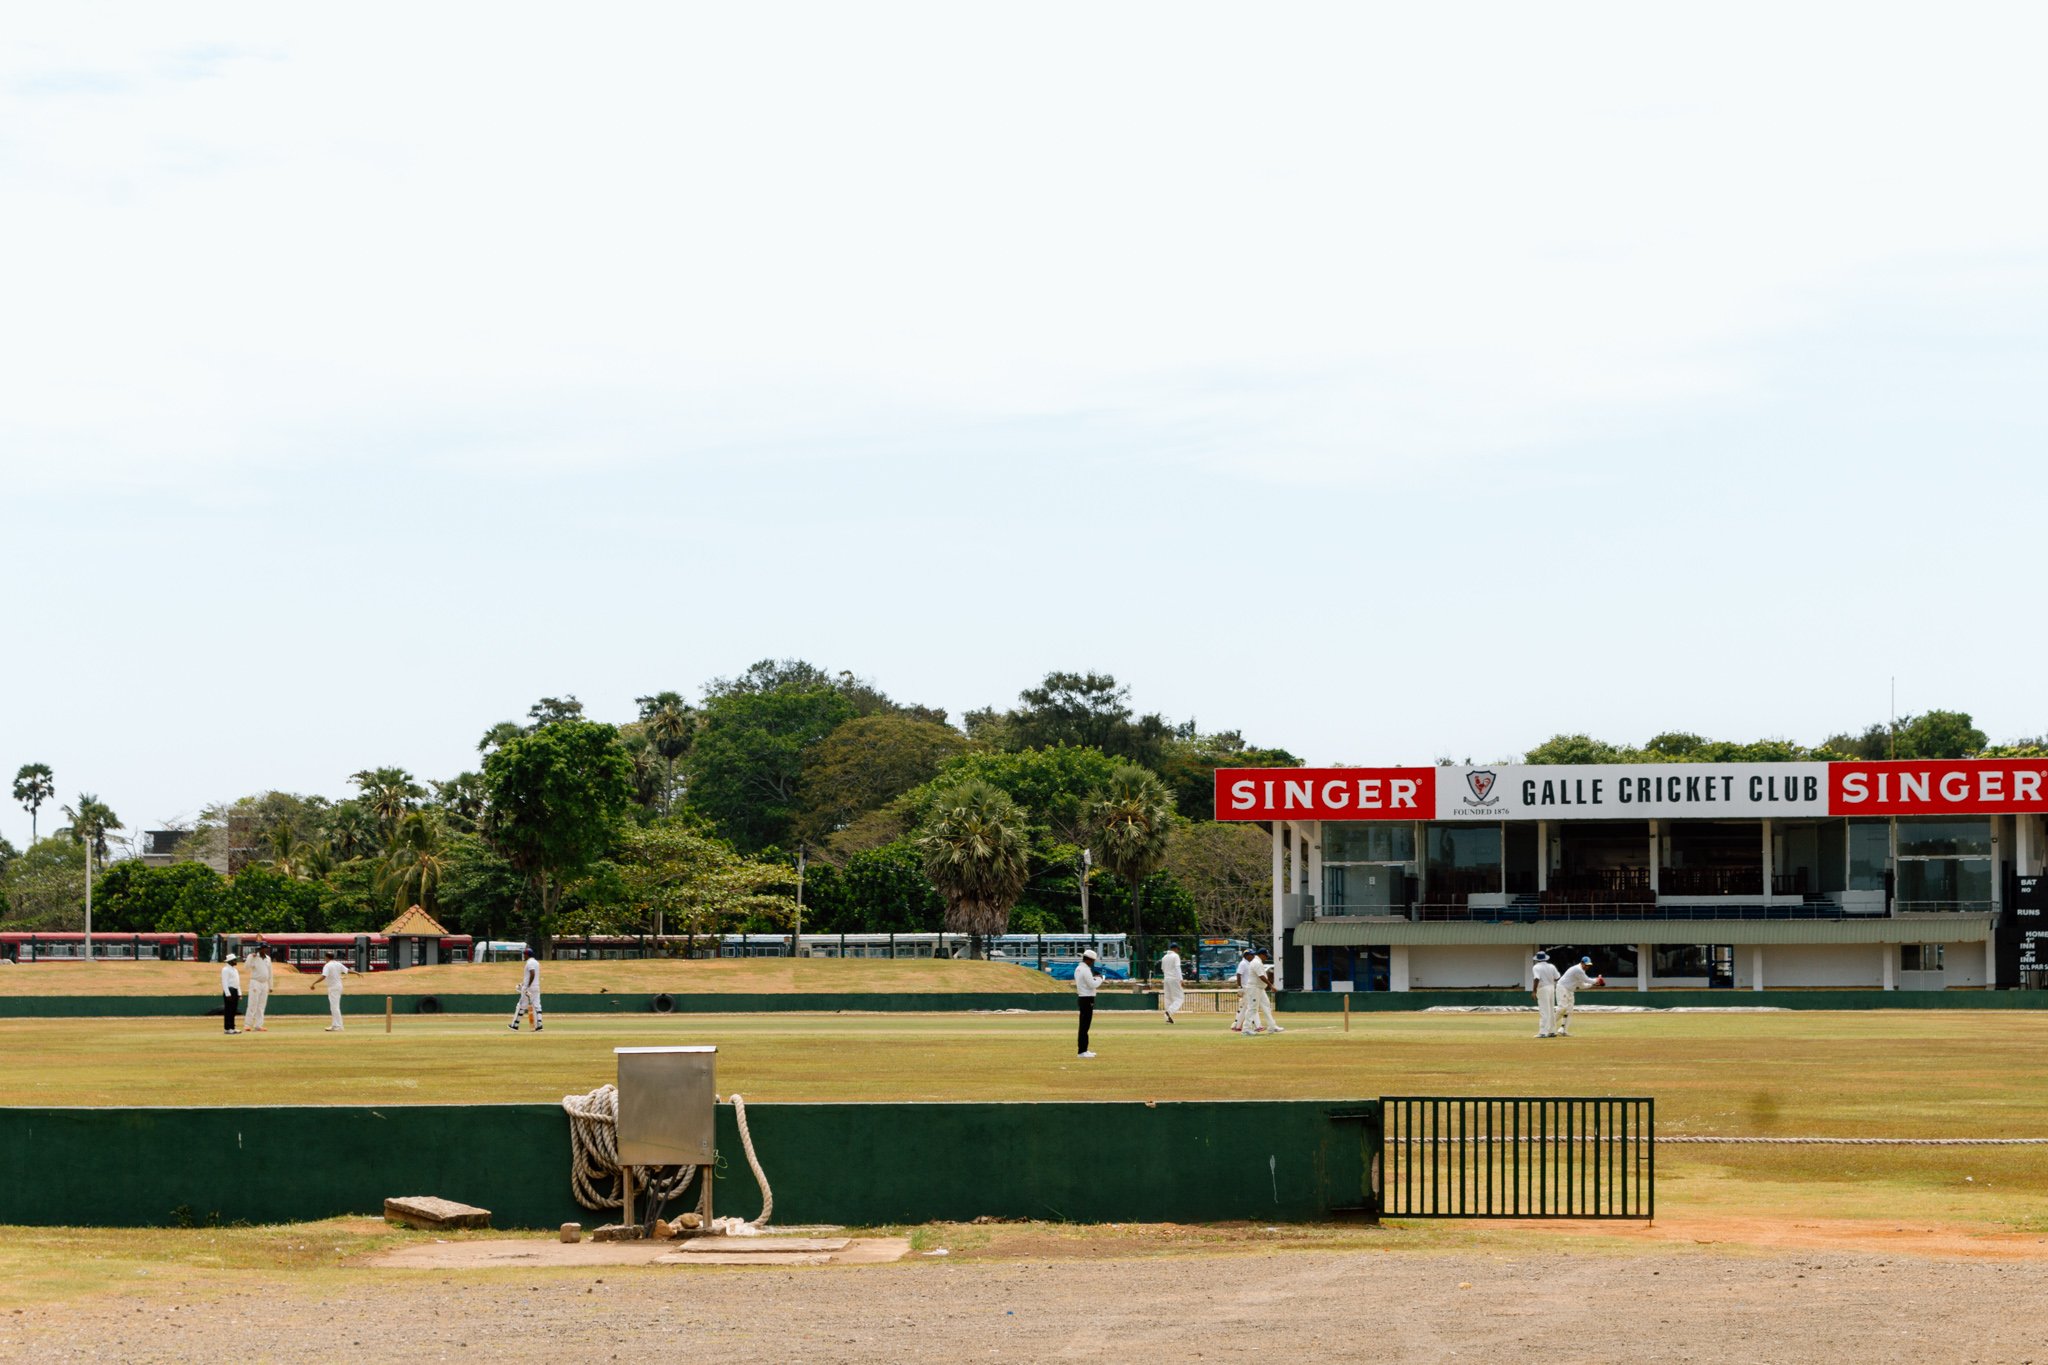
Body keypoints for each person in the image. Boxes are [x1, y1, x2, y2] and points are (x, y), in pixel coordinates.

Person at [1555, 956, 1605, 1037]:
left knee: (1569, 1010)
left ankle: (1563, 1030)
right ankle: (1549, 1027)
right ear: (1582, 963)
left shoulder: (1581, 972)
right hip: (1562, 988)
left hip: (1570, 991)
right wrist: (1597, 980)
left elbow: (1582, 985)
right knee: (1562, 1008)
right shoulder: (1577, 969)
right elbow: (1588, 980)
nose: (1587, 967)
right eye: (1586, 965)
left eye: (1589, 965)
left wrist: (1594, 984)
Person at [312, 951, 352, 1031]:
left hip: (333, 987)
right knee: (333, 1007)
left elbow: (324, 976)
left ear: (326, 957)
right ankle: (335, 1025)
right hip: (337, 986)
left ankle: (339, 1026)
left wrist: (314, 983)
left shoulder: (327, 965)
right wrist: (357, 972)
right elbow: (347, 970)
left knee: (335, 1007)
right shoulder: (338, 964)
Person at [510, 947, 544, 1032]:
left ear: (527, 955)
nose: (523, 956)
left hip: (529, 988)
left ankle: (515, 1025)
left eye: (524, 954)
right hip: (536, 987)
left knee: (521, 1006)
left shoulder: (529, 963)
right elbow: (530, 976)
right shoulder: (537, 962)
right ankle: (539, 1025)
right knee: (537, 1005)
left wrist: (527, 986)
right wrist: (522, 984)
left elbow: (532, 973)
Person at [1074, 948, 1100, 1058]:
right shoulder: (1085, 970)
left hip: (1082, 997)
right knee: (1085, 1026)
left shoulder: (1078, 968)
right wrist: (1100, 979)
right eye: (1092, 961)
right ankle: (1082, 1051)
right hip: (1087, 998)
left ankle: (1084, 1049)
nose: (1093, 963)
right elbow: (1092, 985)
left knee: (1084, 1026)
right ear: (1089, 960)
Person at [1250, 952, 1284, 1034]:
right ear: (1261, 955)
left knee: (1267, 1006)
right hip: (1255, 988)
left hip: (1260, 988)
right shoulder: (1256, 962)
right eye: (1266, 956)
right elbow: (1261, 976)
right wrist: (1271, 985)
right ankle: (1246, 1028)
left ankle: (1272, 1026)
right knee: (1253, 1008)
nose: (1266, 958)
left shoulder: (1258, 962)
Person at [1531, 951, 1560, 1038]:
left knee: (1544, 1010)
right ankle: (1552, 1031)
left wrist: (1534, 991)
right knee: (1551, 1010)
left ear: (1537, 959)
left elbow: (1536, 978)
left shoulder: (1536, 967)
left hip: (1543, 988)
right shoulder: (1551, 966)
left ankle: (1543, 1032)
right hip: (1551, 987)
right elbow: (1557, 977)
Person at [245, 943, 273, 1032]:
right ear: (259, 949)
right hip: (255, 982)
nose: (265, 950)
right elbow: (246, 967)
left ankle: (258, 1025)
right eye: (263, 948)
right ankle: (247, 1025)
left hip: (265, 984)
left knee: (261, 1005)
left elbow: (270, 973)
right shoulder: (253, 957)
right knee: (252, 1003)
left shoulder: (268, 959)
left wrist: (270, 985)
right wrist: (250, 957)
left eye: (265, 948)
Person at [1232, 949, 1260, 1034]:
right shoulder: (1243, 963)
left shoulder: (1249, 963)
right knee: (1252, 1006)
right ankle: (1258, 1026)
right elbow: (1238, 974)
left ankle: (1237, 1026)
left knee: (1245, 1008)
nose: (1253, 956)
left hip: (1248, 987)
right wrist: (1240, 987)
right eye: (1251, 955)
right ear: (1246, 955)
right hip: (1245, 987)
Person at [1159, 945, 1184, 1023]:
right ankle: (1169, 1012)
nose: (1178, 951)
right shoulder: (1175, 956)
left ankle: (1167, 1018)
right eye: (1178, 949)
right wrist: (1180, 979)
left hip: (1166, 979)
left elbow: (1162, 969)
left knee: (1168, 998)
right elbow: (1177, 967)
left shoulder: (1164, 957)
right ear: (1175, 949)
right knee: (1180, 998)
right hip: (1174, 979)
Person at [219, 955, 242, 1035]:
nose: (236, 961)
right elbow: (224, 982)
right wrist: (227, 993)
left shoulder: (235, 970)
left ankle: (232, 1027)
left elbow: (237, 982)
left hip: (235, 990)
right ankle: (227, 1028)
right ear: (230, 961)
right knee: (228, 1010)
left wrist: (239, 993)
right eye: (234, 960)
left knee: (233, 1010)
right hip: (229, 990)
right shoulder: (225, 969)